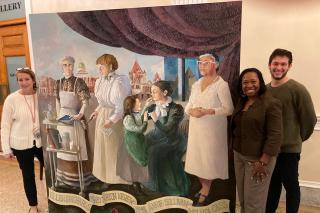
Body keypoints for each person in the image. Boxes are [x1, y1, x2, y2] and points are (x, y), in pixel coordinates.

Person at [266, 48, 317, 213]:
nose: (278, 67)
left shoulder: (297, 89)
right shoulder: (264, 90)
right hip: (269, 150)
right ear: (269, 65)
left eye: (283, 64)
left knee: (291, 186)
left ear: (289, 66)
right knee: (272, 185)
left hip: (289, 150)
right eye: (275, 63)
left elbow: (310, 119)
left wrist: (296, 139)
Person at [184, 53, 234, 206]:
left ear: (216, 65)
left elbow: (229, 109)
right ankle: (205, 187)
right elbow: (188, 106)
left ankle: (206, 191)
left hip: (212, 131)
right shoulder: (196, 84)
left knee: (208, 161)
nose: (202, 66)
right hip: (196, 130)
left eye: (206, 63)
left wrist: (207, 111)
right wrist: (191, 112)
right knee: (197, 160)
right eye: (200, 63)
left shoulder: (221, 85)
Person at [231, 68, 282, 213]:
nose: (249, 85)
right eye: (245, 82)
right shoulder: (242, 101)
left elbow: (275, 136)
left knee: (254, 205)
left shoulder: (271, 103)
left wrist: (263, 162)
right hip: (239, 156)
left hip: (258, 160)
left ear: (260, 82)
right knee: (243, 201)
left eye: (253, 81)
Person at [1, 67, 44, 213]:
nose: (24, 82)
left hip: (41, 142)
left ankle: (55, 201)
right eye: (20, 80)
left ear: (33, 80)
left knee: (52, 173)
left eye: (27, 79)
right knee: (28, 175)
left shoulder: (41, 96)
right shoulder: (11, 99)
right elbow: (5, 126)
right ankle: (33, 206)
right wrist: (6, 148)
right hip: (20, 144)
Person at [90, 53, 131, 184]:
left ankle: (118, 180)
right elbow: (102, 103)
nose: (99, 69)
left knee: (113, 148)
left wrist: (111, 120)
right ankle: (105, 179)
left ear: (111, 66)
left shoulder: (120, 81)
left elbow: (121, 106)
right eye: (98, 67)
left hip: (115, 118)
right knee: (103, 148)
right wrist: (96, 111)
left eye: (101, 66)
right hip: (103, 116)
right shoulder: (100, 81)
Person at [145, 80, 189, 196]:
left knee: (153, 151)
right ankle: (152, 182)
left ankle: (154, 185)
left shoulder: (176, 108)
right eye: (151, 92)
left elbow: (168, 129)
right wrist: (146, 107)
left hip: (173, 139)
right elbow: (142, 119)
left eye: (155, 92)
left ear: (164, 92)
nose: (152, 94)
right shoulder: (154, 106)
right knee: (142, 143)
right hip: (159, 136)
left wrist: (154, 119)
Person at [54, 56, 92, 187]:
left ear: (73, 66)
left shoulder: (79, 82)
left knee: (75, 148)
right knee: (63, 147)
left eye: (70, 65)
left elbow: (85, 101)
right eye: (65, 65)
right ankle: (63, 178)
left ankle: (77, 181)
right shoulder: (58, 82)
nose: (68, 67)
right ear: (62, 66)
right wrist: (58, 117)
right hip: (62, 118)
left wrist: (80, 114)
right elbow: (57, 101)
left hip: (75, 117)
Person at [115, 95, 149, 184]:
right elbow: (140, 129)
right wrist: (145, 121)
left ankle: (139, 183)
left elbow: (139, 119)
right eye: (138, 104)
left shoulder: (135, 114)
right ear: (131, 106)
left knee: (139, 166)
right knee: (133, 166)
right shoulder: (128, 119)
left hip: (138, 141)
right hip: (131, 143)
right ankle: (135, 184)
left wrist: (146, 107)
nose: (140, 104)